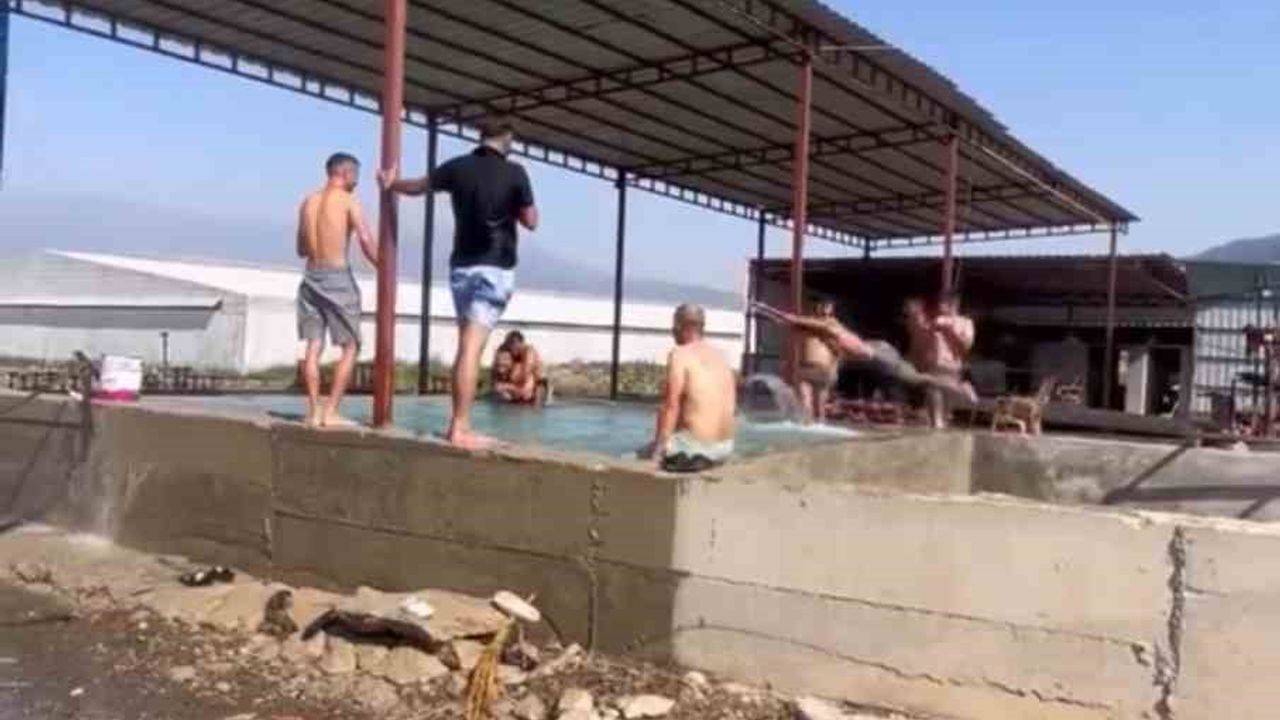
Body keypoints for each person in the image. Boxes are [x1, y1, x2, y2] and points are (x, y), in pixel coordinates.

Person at [381, 116, 538, 448]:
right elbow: (531, 220)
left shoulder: (457, 167)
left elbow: (419, 186)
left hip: (461, 268)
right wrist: (513, 206)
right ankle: (460, 427)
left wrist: (392, 183)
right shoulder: (515, 172)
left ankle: (459, 423)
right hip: (494, 268)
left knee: (466, 344)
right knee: (470, 348)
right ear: (507, 140)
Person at [752, 301, 976, 406]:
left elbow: (793, 320)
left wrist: (765, 308)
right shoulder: (826, 334)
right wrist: (768, 314)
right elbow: (793, 324)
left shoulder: (829, 325)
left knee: (920, 379)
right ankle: (958, 387)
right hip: (877, 352)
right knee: (920, 378)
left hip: (879, 354)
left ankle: (960, 387)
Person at [295, 152, 378, 428]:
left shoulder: (308, 201)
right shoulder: (348, 200)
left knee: (313, 344)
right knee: (351, 345)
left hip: (310, 275)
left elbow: (301, 249)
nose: (357, 181)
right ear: (345, 172)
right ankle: (330, 411)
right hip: (337, 276)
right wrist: (384, 267)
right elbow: (365, 239)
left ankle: (313, 411)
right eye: (356, 175)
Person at [639, 304, 737, 472]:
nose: (672, 332)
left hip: (696, 450)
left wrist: (658, 451)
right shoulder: (721, 356)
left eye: (673, 327)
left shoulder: (679, 354)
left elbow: (670, 406)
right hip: (725, 447)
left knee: (638, 454)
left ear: (679, 327)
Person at [921, 291, 976, 428]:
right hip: (935, 362)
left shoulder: (966, 323)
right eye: (940, 303)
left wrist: (948, 330)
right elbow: (925, 339)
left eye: (943, 303)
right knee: (934, 392)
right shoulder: (936, 320)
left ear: (954, 304)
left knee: (942, 394)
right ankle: (937, 423)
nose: (940, 306)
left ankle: (962, 389)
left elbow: (966, 346)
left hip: (952, 363)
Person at [796, 298, 840, 423]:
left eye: (827, 306)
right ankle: (808, 424)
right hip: (806, 366)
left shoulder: (832, 323)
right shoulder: (808, 324)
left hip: (822, 368)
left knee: (820, 404)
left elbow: (837, 351)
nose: (823, 308)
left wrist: (834, 369)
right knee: (805, 401)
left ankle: (820, 422)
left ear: (831, 309)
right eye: (822, 306)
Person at [491, 331, 546, 404]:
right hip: (517, 384)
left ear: (521, 344)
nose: (512, 349)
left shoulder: (529, 353)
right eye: (510, 346)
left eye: (515, 346)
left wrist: (507, 386)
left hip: (536, 382)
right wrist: (497, 384)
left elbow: (525, 377)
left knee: (530, 391)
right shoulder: (505, 348)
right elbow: (495, 367)